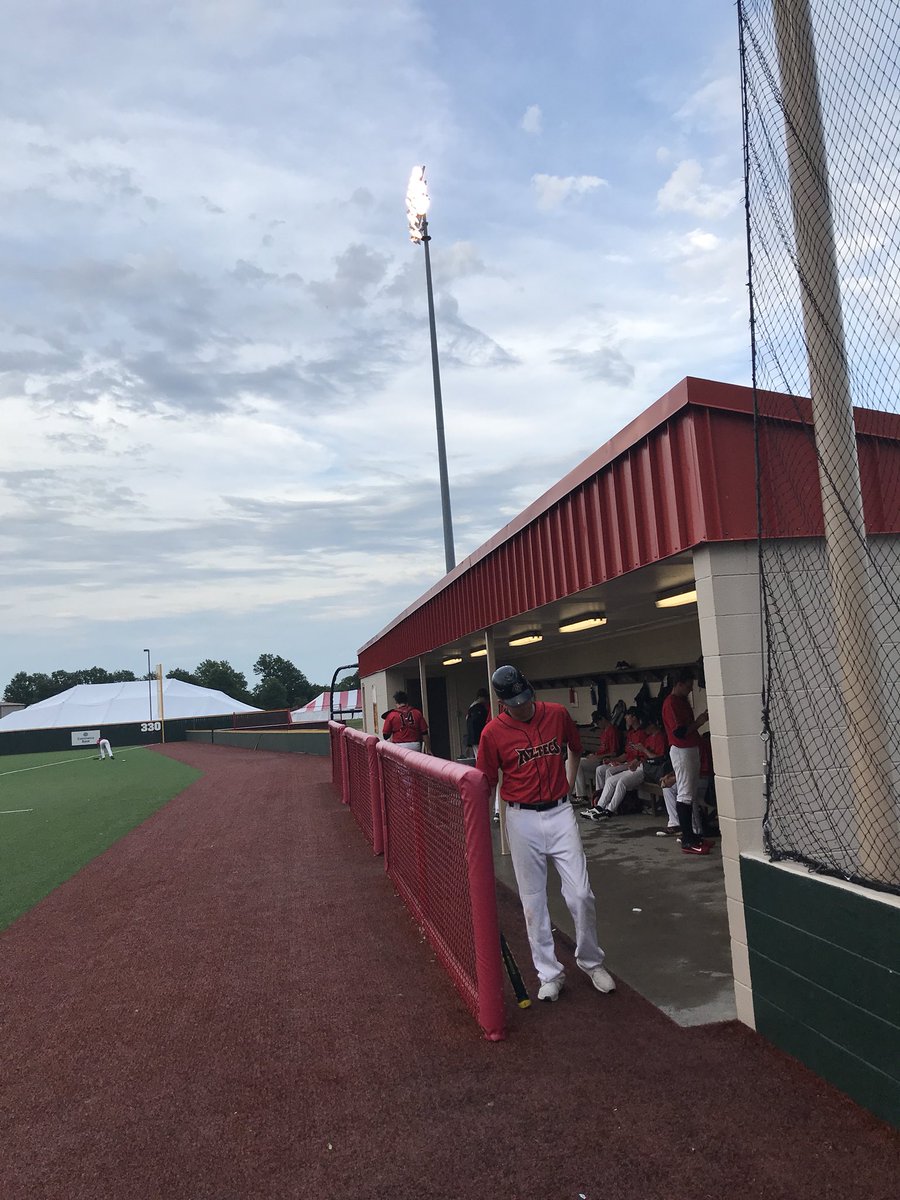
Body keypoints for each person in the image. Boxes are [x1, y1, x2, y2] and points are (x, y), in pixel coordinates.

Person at [476, 665, 615, 1002]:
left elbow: (575, 747)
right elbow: (486, 780)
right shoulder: (492, 732)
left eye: (524, 698)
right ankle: (549, 973)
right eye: (514, 702)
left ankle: (590, 960)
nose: (521, 706)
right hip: (521, 817)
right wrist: (479, 827)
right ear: (501, 701)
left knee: (581, 894)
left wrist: (567, 785)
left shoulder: (556, 714)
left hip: (559, 811)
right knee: (533, 901)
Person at [661, 668, 710, 855]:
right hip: (682, 750)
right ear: (679, 684)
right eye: (688, 685)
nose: (690, 689)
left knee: (689, 792)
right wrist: (698, 722)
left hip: (690, 748)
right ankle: (687, 838)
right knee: (685, 794)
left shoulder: (681, 701)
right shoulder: (671, 702)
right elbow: (679, 732)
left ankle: (692, 835)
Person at [589, 718, 666, 819]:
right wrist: (636, 761)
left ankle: (610, 810)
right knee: (611, 780)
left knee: (622, 782)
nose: (645, 730)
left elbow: (658, 759)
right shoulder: (648, 738)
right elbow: (642, 757)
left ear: (652, 725)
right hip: (640, 766)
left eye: (646, 728)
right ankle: (599, 807)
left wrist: (643, 750)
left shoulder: (661, 737)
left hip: (649, 771)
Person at [579, 707, 644, 820]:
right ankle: (599, 806)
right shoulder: (630, 733)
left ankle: (609, 810)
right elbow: (626, 753)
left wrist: (630, 761)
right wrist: (616, 761)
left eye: (627, 715)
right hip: (628, 764)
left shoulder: (642, 734)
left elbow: (645, 756)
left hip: (639, 766)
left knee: (619, 780)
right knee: (609, 778)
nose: (625, 717)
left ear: (634, 717)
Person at [573, 711, 621, 803]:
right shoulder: (604, 732)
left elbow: (614, 753)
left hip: (603, 760)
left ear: (603, 719)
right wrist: (594, 755)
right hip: (597, 758)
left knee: (577, 763)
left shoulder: (612, 731)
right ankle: (578, 794)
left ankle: (583, 796)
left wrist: (598, 757)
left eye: (598, 722)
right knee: (570, 762)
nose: (597, 725)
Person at [464, 688, 490, 759]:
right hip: (478, 737)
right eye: (485, 698)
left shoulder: (472, 708)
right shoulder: (478, 708)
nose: (486, 700)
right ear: (480, 697)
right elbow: (475, 724)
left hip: (474, 738)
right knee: (481, 756)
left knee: (478, 755)